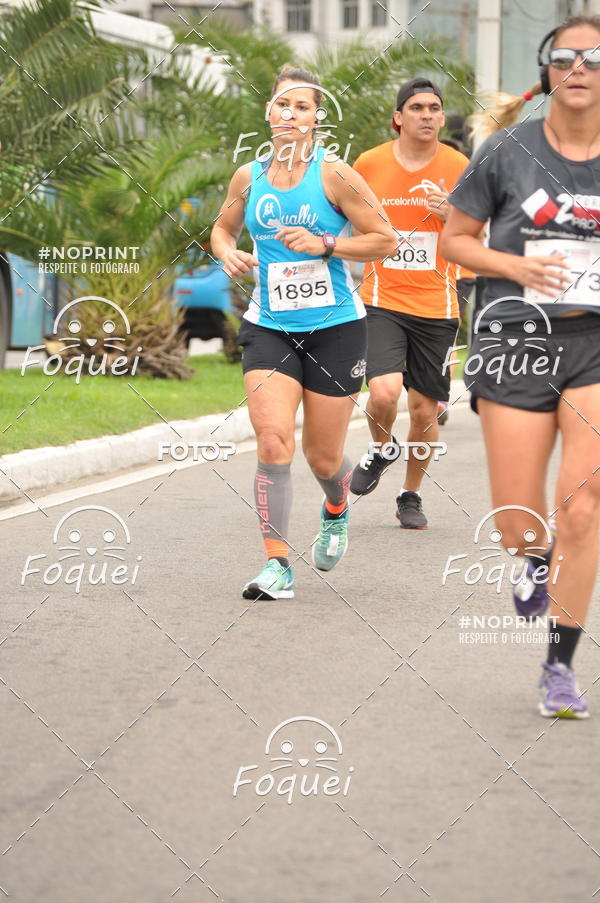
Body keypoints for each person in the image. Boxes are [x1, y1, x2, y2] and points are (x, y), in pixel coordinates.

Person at [441, 15, 600, 718]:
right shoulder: (506, 151)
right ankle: (532, 559)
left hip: (594, 342)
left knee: (584, 506)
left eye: (594, 58)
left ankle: (559, 665)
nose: (579, 68)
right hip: (515, 340)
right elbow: (454, 240)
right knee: (520, 521)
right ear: (548, 71)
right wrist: (513, 265)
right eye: (565, 57)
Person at [211, 66, 396, 600]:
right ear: (268, 113)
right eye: (282, 105)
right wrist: (229, 254)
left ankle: (336, 507)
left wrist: (328, 246)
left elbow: (385, 238)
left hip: (335, 328)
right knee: (273, 442)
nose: (291, 115)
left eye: (303, 107)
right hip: (268, 326)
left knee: (321, 457)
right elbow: (222, 229)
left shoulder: (336, 176)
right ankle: (276, 565)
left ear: (317, 118)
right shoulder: (248, 177)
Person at [349, 78, 469, 528]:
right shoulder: (369, 163)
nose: (427, 115)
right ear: (399, 116)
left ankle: (410, 495)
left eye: (434, 108)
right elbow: (345, 216)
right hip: (382, 299)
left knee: (423, 410)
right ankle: (381, 447)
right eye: (416, 107)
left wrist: (450, 217)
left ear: (441, 117)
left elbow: (483, 232)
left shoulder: (459, 166)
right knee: (382, 392)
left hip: (437, 306)